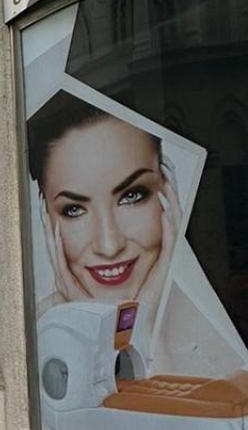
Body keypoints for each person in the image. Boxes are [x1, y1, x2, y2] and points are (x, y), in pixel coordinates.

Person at [27, 92, 180, 340]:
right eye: (74, 209)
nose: (109, 246)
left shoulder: (213, 339)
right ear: (47, 218)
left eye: (132, 196)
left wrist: (145, 318)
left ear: (168, 191)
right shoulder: (36, 335)